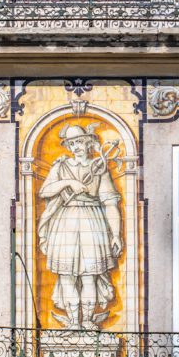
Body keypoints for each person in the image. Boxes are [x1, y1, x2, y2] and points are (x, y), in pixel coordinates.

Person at [38, 123, 122, 330]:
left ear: (88, 143)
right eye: (72, 143)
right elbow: (45, 191)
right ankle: (74, 323)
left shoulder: (99, 168)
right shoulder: (61, 166)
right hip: (65, 221)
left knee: (89, 277)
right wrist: (68, 183)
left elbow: (110, 203)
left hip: (92, 221)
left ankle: (87, 320)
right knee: (66, 275)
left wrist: (117, 235)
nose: (76, 146)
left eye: (79, 142)